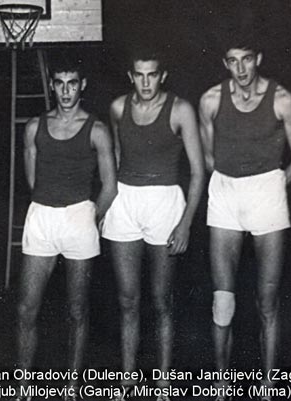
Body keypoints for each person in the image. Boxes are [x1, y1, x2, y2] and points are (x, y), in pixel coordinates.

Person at [198, 37, 291, 400]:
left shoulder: (282, 99)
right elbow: (209, 158)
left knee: (267, 301)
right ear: (225, 63)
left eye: (246, 59)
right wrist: (234, 181)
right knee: (222, 300)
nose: (241, 69)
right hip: (226, 192)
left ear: (258, 57)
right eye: (233, 61)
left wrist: (273, 184)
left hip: (267, 193)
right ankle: (221, 382)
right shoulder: (211, 100)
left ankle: (268, 383)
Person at [102, 49, 205, 401]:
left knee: (162, 300)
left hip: (165, 202)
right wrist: (106, 205)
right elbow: (116, 159)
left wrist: (186, 224)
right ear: (131, 76)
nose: (146, 83)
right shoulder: (118, 108)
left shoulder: (180, 110)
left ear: (163, 76)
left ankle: (163, 381)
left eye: (152, 75)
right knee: (127, 300)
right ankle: (127, 379)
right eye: (139, 75)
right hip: (126, 201)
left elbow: (198, 172)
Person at [15, 55, 117, 401]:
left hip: (79, 217)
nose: (66, 91)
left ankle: (72, 387)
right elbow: (32, 179)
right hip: (42, 216)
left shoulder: (97, 130)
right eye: (59, 83)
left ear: (82, 85)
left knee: (77, 310)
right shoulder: (34, 127)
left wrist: (89, 216)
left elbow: (110, 186)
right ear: (52, 85)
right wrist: (50, 202)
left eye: (72, 83)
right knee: (26, 308)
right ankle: (23, 387)